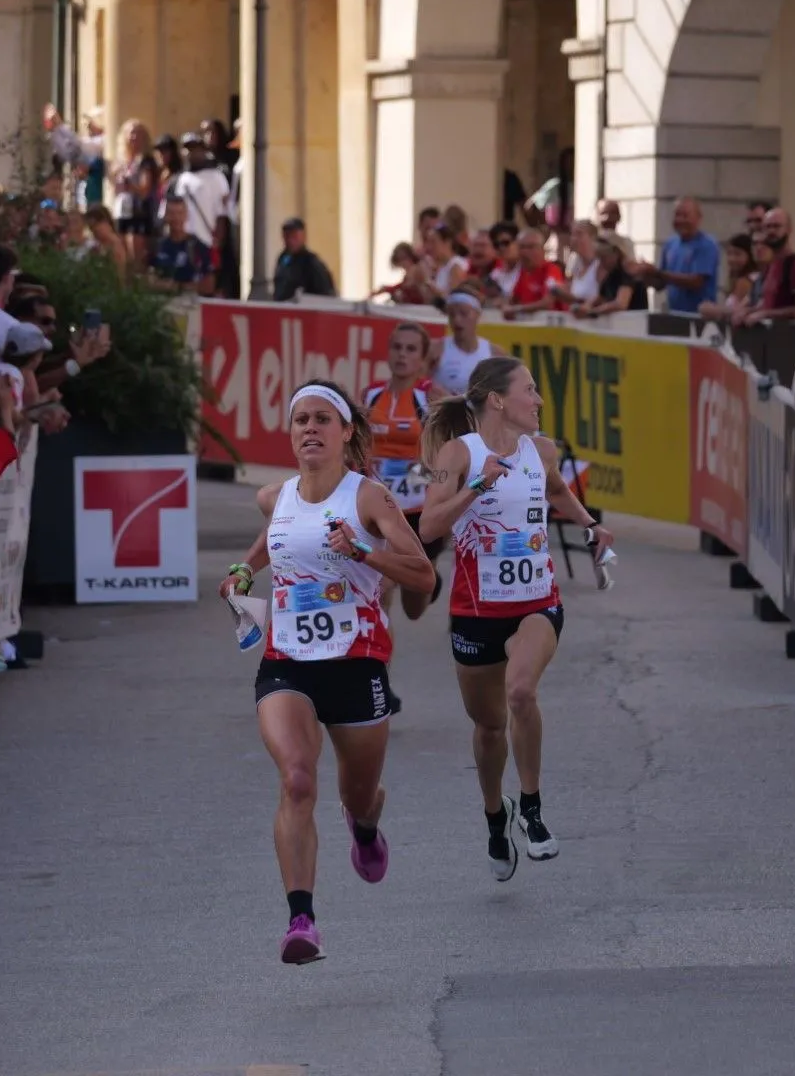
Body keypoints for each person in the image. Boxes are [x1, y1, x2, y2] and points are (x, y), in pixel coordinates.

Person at [217, 379, 435, 964]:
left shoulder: (368, 499)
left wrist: (362, 553)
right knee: (296, 779)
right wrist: (244, 570)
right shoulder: (276, 496)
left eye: (322, 420)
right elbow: (279, 535)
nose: (309, 429)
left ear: (345, 433)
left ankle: (364, 827)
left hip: (356, 664)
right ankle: (301, 919)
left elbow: (421, 576)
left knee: (358, 795)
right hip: (286, 662)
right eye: (300, 421)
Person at [417, 357, 613, 880]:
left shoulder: (541, 450)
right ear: (498, 399)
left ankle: (531, 808)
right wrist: (477, 487)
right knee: (488, 727)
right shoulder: (455, 454)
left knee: (522, 691)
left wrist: (591, 525)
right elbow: (430, 525)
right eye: (530, 390)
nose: (539, 400)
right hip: (476, 610)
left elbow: (553, 488)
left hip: (536, 601)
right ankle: (494, 815)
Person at [364, 325, 447, 701]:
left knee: (414, 608)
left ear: (423, 358)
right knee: (380, 591)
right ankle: (381, 684)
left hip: (419, 516)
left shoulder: (430, 398)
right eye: (396, 347)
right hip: (381, 513)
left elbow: (453, 452)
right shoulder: (370, 395)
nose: (401, 355)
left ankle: (429, 579)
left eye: (410, 349)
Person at [426, 291, 507, 399]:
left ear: (478, 315)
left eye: (464, 313)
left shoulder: (495, 353)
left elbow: (504, 396)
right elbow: (418, 387)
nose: (457, 320)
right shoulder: (435, 349)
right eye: (452, 314)